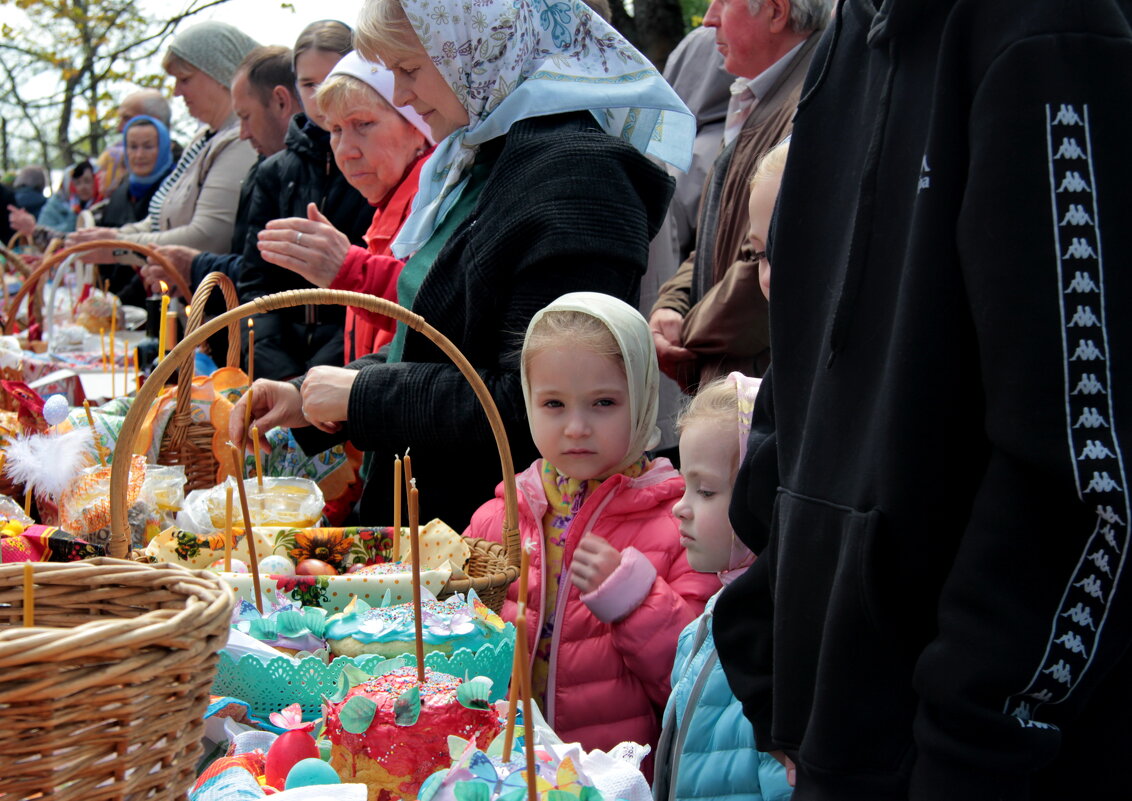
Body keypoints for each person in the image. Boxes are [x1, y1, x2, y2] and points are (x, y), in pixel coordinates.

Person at [715, 2, 1132, 799]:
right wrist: (770, 645)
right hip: (842, 733)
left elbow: (1083, 471)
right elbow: (801, 363)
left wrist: (970, 740)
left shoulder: (1046, 31)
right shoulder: (849, 37)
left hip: (968, 761)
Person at [230, 0, 692, 530]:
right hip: (440, 525)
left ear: (482, 46)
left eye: (410, 70)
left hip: (496, 545)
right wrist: (312, 394)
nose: (401, 94)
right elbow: (445, 341)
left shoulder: (576, 178)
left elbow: (535, 402)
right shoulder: (491, 159)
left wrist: (361, 396)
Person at [467, 292, 719, 765]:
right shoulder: (499, 518)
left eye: (603, 402)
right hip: (504, 769)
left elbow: (691, 682)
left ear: (643, 398)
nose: (577, 427)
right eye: (554, 403)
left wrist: (635, 599)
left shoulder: (678, 522)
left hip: (612, 776)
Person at [649, 0, 829, 393]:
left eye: (723, 2)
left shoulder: (811, 102)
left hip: (760, 388)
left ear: (777, 12)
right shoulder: (765, 98)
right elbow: (719, 236)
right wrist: (672, 305)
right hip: (739, 381)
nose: (709, 19)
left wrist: (686, 331)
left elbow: (771, 259)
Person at [652, 372, 789, 801]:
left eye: (706, 491)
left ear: (763, 495)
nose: (680, 507)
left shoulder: (778, 653)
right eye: (685, 485)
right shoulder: (708, 620)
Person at [239, 43, 410, 378]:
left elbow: (439, 320)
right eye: (335, 130)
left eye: (363, 124)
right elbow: (255, 280)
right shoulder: (387, 202)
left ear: (416, 123)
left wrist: (348, 268)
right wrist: (297, 387)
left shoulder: (434, 203)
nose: (345, 150)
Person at [68, 22, 259, 261]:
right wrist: (112, 236)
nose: (177, 92)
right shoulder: (206, 137)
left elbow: (208, 237)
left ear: (220, 74)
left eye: (184, 79)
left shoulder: (241, 141)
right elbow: (160, 221)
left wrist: (117, 246)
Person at [97, 115, 176, 304]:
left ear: (163, 147)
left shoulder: (173, 189)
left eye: (148, 146)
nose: (139, 155)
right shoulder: (120, 191)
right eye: (132, 147)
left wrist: (120, 302)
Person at [95, 88, 173, 194]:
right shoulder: (125, 186)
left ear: (156, 121)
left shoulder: (185, 177)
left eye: (127, 118)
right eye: (134, 147)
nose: (119, 128)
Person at [9, 161, 102, 248]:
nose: (83, 187)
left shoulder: (100, 207)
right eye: (77, 183)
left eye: (87, 181)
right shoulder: (54, 206)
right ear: (70, 186)